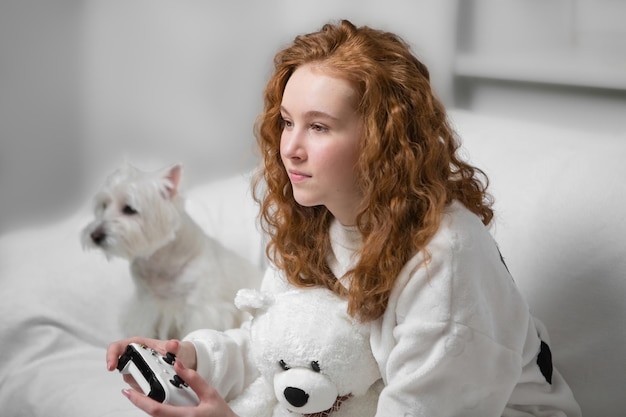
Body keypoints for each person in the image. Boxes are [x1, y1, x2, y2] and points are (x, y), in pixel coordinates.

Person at [106, 19, 581, 416]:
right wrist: (191, 358)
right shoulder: (319, 219)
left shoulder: (445, 261)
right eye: (287, 122)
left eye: (318, 126)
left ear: (382, 140)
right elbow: (275, 346)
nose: (289, 147)